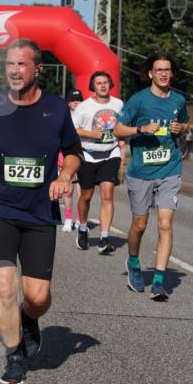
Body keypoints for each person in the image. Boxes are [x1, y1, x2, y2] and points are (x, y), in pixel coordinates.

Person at [0, 39, 82, 384]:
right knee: (4, 287)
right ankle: (14, 356)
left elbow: (73, 151)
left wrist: (64, 174)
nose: (14, 70)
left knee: (37, 296)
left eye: (22, 64)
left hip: (40, 210)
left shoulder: (57, 109)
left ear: (37, 69)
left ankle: (29, 319)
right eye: (10, 64)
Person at [112, 53, 190, 301]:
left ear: (172, 73)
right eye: (159, 70)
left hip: (170, 169)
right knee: (140, 225)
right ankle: (134, 262)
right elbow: (116, 129)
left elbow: (186, 123)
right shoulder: (138, 101)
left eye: (167, 70)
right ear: (150, 74)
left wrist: (181, 128)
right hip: (141, 172)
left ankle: (158, 280)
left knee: (165, 224)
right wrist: (140, 129)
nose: (164, 74)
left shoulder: (178, 99)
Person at [73, 72, 124, 253]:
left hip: (110, 152)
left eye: (105, 83)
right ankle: (83, 227)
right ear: (92, 87)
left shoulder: (118, 104)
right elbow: (73, 130)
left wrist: (123, 145)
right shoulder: (84, 107)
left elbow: (122, 126)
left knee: (107, 194)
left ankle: (104, 237)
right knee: (86, 196)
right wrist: (91, 134)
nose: (102, 86)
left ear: (110, 85)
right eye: (98, 83)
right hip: (88, 154)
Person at [60, 90, 83, 232]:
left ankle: (80, 220)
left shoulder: (86, 114)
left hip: (84, 156)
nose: (76, 102)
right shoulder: (63, 116)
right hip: (67, 156)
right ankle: (68, 219)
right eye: (73, 100)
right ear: (68, 102)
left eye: (79, 100)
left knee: (82, 192)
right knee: (68, 190)